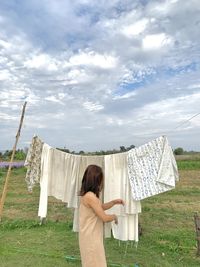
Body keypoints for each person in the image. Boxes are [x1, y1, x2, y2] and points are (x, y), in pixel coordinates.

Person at [79, 164, 124, 267]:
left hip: (89, 235)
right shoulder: (91, 197)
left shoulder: (88, 195)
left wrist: (113, 202)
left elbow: (100, 207)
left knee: (92, 262)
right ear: (96, 181)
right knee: (95, 263)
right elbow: (104, 217)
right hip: (91, 238)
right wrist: (114, 217)